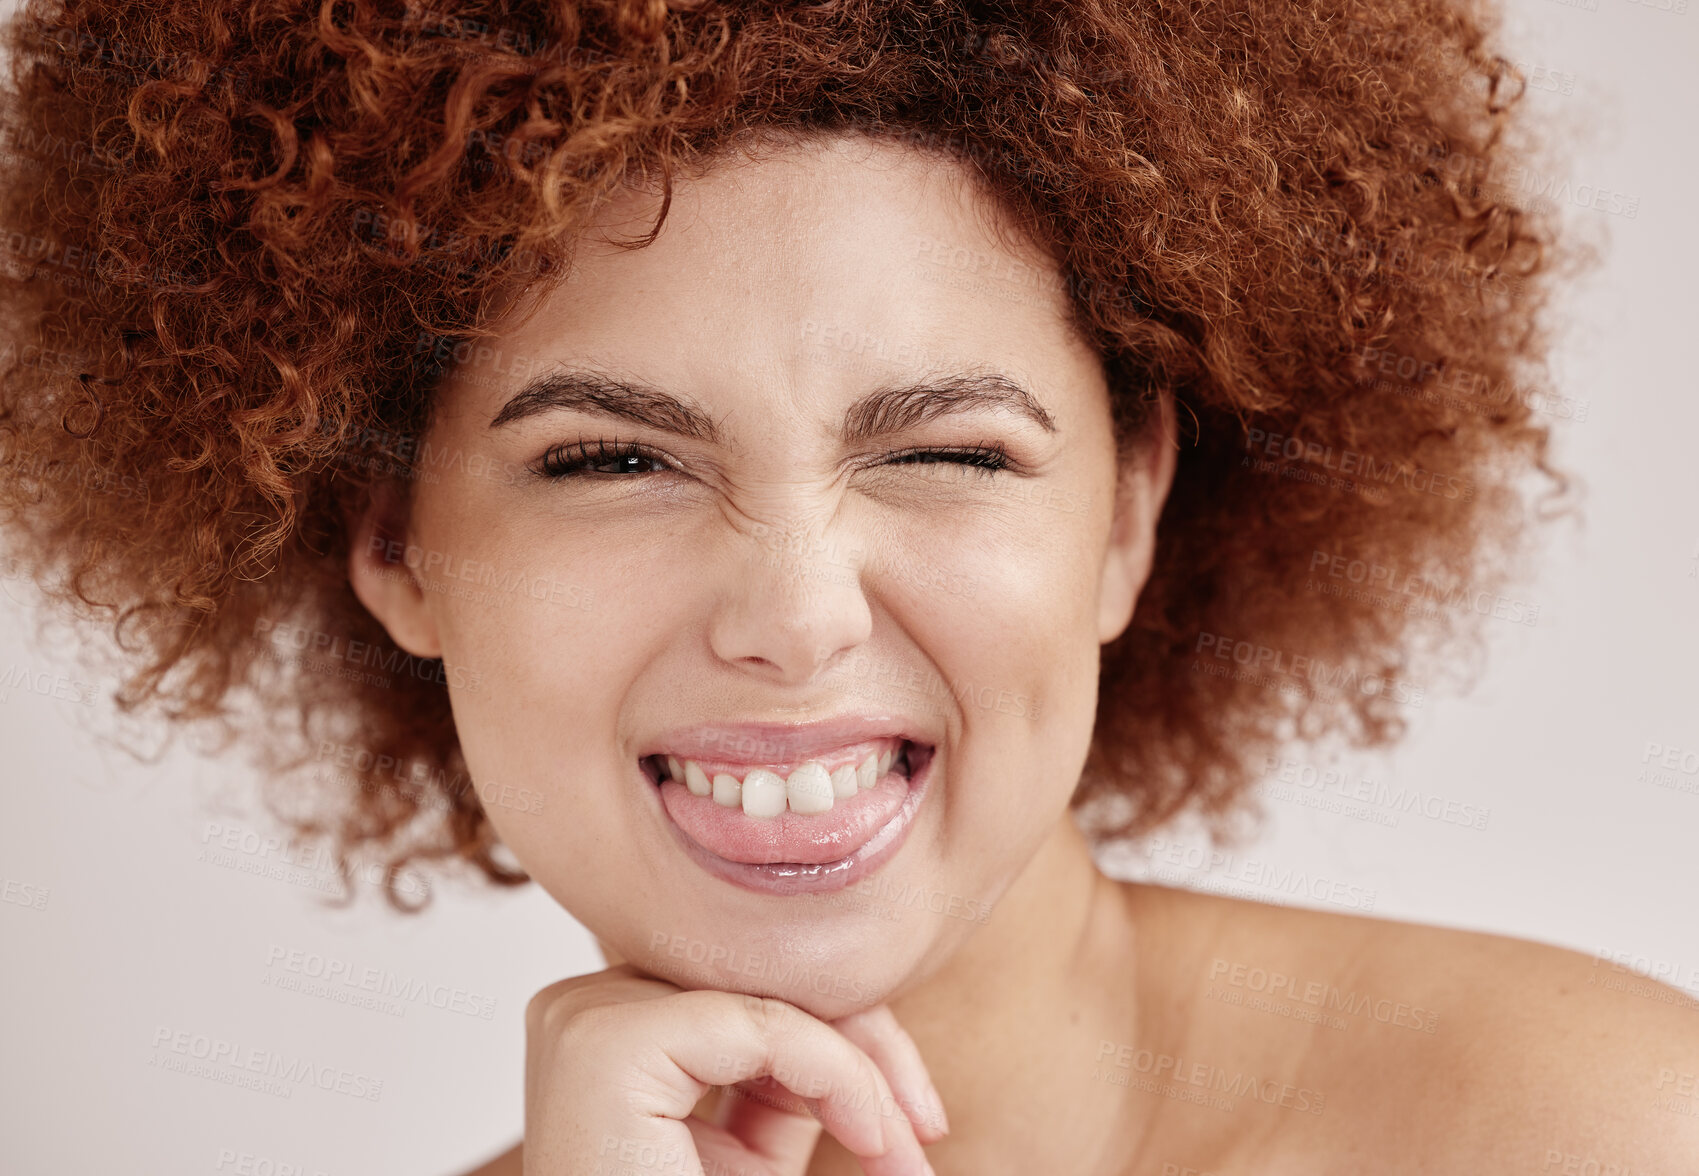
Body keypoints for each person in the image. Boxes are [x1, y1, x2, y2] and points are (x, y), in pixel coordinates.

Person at [0, 2, 1692, 1173]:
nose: (795, 616)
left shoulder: (1595, 1133)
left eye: (946, 452)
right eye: (611, 460)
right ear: (390, 540)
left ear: (1128, 509)